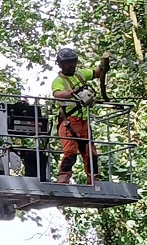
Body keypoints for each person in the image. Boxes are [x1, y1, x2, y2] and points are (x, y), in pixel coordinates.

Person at [51, 47, 104, 185]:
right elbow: (57, 94)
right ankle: (63, 178)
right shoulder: (59, 81)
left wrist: (103, 65)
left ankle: (93, 178)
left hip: (84, 121)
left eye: (73, 61)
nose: (71, 65)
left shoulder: (81, 74)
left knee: (90, 152)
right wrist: (69, 93)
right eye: (67, 62)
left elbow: (97, 73)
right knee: (71, 151)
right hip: (69, 121)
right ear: (61, 64)